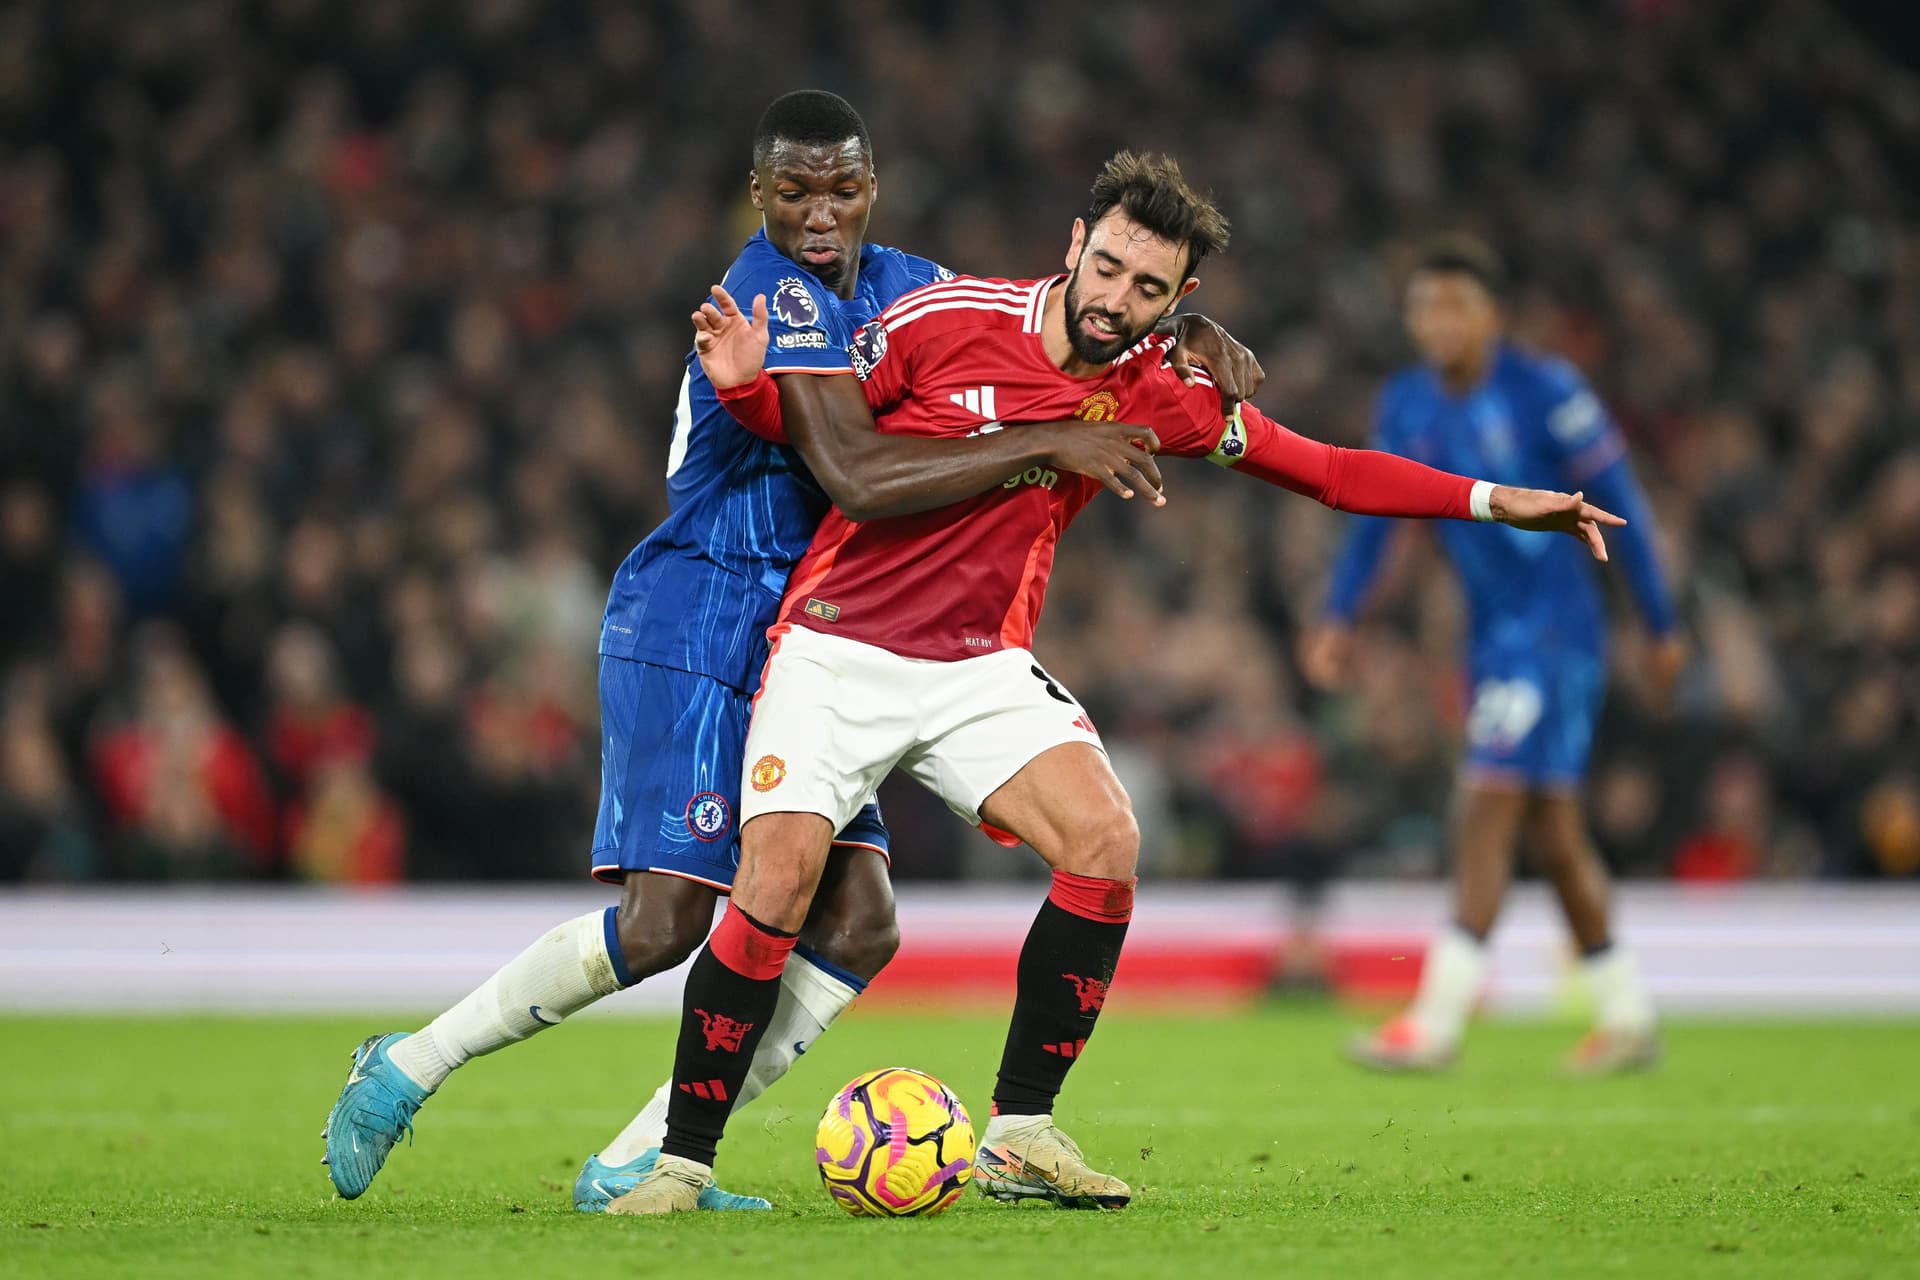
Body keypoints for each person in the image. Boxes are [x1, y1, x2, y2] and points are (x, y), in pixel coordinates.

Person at [605, 151, 1627, 1214]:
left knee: (1106, 842)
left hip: (976, 665)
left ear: (1181, 299)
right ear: (1074, 247)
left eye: (1148, 288)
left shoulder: (1155, 390)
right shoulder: (944, 318)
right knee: (772, 887)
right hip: (837, 642)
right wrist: (753, 395)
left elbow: (1327, 470)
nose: (1117, 300)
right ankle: (681, 1160)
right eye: (1108, 268)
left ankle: (1020, 1130)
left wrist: (1500, 500)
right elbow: (837, 440)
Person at [320, 92, 1259, 1210]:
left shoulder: (908, 283)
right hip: (703, 607)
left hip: (824, 624)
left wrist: (1171, 333)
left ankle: (648, 1152)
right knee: (669, 918)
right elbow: (858, 470)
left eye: (843, 188)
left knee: (861, 922)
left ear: (874, 189)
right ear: (758, 193)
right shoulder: (765, 286)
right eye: (796, 190)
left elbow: (1032, 323)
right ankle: (410, 1062)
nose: (820, 213)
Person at [1300, 234, 1684, 1074]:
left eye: (1456, 305)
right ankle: (1627, 1017)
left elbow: (1625, 506)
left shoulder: (1547, 391)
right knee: (1550, 833)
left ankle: (1436, 1020)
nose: (1440, 322)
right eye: (1425, 306)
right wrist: (1340, 614)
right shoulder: (1406, 403)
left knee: (1485, 801)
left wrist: (1661, 623)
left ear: (1492, 315)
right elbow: (1373, 511)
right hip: (1491, 635)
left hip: (1555, 633)